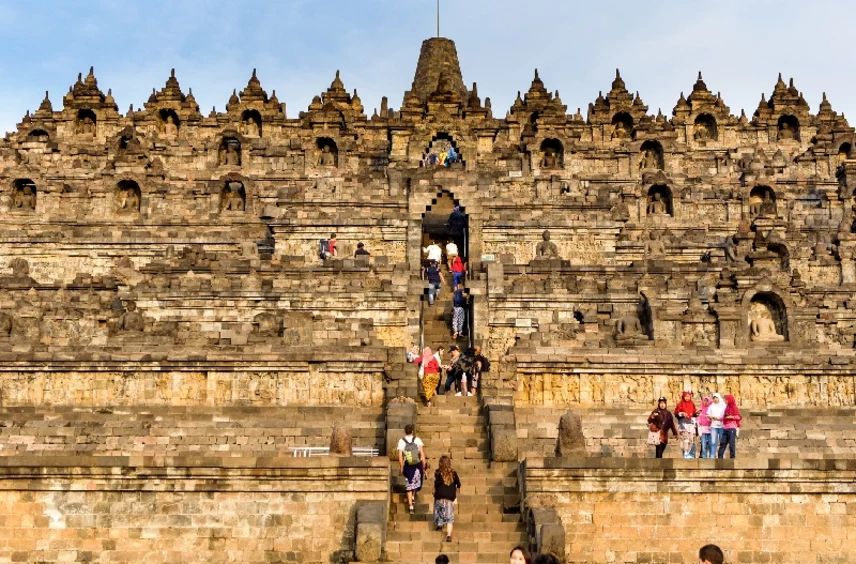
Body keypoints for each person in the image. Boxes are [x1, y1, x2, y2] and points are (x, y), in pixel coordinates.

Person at [397, 424, 426, 515]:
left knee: (409, 485)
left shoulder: (401, 441)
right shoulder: (417, 440)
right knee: (415, 482)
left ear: (405, 431)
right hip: (417, 465)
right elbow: (422, 454)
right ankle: (413, 497)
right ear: (412, 431)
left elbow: (400, 456)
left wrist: (401, 467)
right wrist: (424, 466)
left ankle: (410, 507)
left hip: (408, 466)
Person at [433, 455, 461, 543]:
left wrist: (434, 491)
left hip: (440, 497)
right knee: (449, 518)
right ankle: (448, 535)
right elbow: (458, 484)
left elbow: (436, 484)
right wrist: (457, 492)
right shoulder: (453, 473)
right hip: (450, 498)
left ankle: (439, 524)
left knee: (438, 510)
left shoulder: (438, 472)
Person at [674, 390, 698, 458]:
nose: (687, 398)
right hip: (683, 423)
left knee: (691, 439)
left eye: (688, 396)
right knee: (686, 438)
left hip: (690, 423)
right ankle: (686, 452)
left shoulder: (692, 404)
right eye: (686, 396)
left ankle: (689, 452)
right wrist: (682, 413)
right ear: (683, 396)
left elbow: (693, 413)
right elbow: (676, 413)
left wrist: (696, 414)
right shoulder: (680, 403)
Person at [718, 394, 742, 458]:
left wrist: (731, 417)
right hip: (725, 428)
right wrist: (717, 418)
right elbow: (724, 417)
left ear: (729, 400)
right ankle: (719, 458)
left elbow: (739, 417)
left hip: (732, 427)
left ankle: (732, 458)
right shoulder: (726, 408)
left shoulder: (734, 407)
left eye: (726, 400)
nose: (725, 401)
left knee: (731, 443)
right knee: (722, 444)